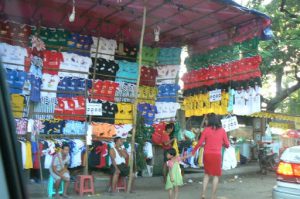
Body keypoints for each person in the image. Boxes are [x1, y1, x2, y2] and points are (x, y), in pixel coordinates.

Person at [192, 114, 230, 199]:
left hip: (207, 155)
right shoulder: (222, 131)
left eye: (207, 120)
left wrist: (193, 151)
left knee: (206, 174)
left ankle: (203, 194)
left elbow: (200, 142)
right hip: (217, 155)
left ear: (210, 121)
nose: (206, 121)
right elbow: (227, 145)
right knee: (216, 176)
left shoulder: (206, 130)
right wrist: (221, 143)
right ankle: (213, 196)